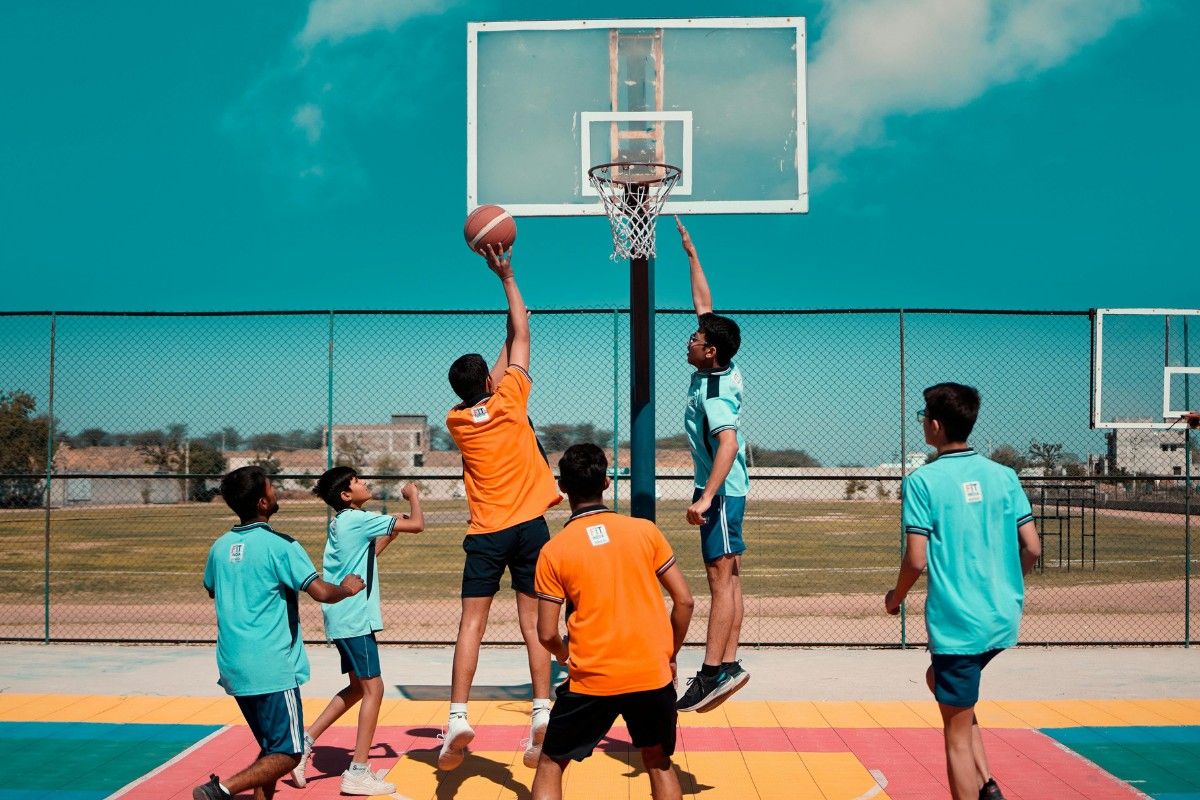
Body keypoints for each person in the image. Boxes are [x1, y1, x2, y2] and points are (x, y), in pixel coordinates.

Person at [884, 383, 1041, 800]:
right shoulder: (1005, 476)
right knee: (943, 683)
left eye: (923, 418)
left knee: (952, 733)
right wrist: (1005, 584)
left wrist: (895, 598)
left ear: (934, 425)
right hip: (1000, 617)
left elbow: (915, 560)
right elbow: (1033, 547)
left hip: (958, 625)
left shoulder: (923, 481)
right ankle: (987, 783)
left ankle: (980, 787)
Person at [441, 243, 563, 770]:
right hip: (531, 529)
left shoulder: (456, 421)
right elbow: (522, 338)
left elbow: (492, 373)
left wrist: (507, 336)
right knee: (534, 623)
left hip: (487, 532)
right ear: (491, 383)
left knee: (472, 623)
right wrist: (507, 278)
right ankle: (540, 709)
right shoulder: (512, 397)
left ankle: (458, 717)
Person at [192, 466, 365, 800]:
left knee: (272, 748)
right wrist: (347, 588)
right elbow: (320, 593)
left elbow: (213, 589)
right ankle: (221, 790)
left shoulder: (219, 546)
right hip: (271, 666)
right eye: (272, 488)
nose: (276, 493)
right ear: (261, 502)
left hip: (233, 664)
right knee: (290, 753)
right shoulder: (281, 545)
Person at [532, 443, 694, 800]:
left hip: (592, 678)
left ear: (562, 486)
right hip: (650, 673)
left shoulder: (554, 551)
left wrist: (563, 653)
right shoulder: (645, 531)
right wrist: (669, 653)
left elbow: (545, 632)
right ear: (606, 482)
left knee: (551, 763)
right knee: (658, 761)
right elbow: (685, 601)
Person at [290, 467, 424, 795]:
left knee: (357, 689)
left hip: (344, 618)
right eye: (357, 482)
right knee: (374, 689)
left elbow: (367, 557)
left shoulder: (346, 521)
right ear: (346, 495)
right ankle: (358, 771)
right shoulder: (358, 520)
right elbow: (418, 525)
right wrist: (414, 496)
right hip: (354, 619)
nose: (364, 483)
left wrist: (390, 532)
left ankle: (304, 745)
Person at [673, 216, 751, 713]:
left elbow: (728, 443)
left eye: (696, 339)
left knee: (719, 579)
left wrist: (705, 496)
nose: (690, 339)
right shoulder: (722, 366)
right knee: (733, 575)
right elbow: (705, 304)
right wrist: (692, 254)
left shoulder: (717, 393)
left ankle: (712, 671)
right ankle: (730, 662)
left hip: (720, 492)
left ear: (711, 352)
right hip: (731, 492)